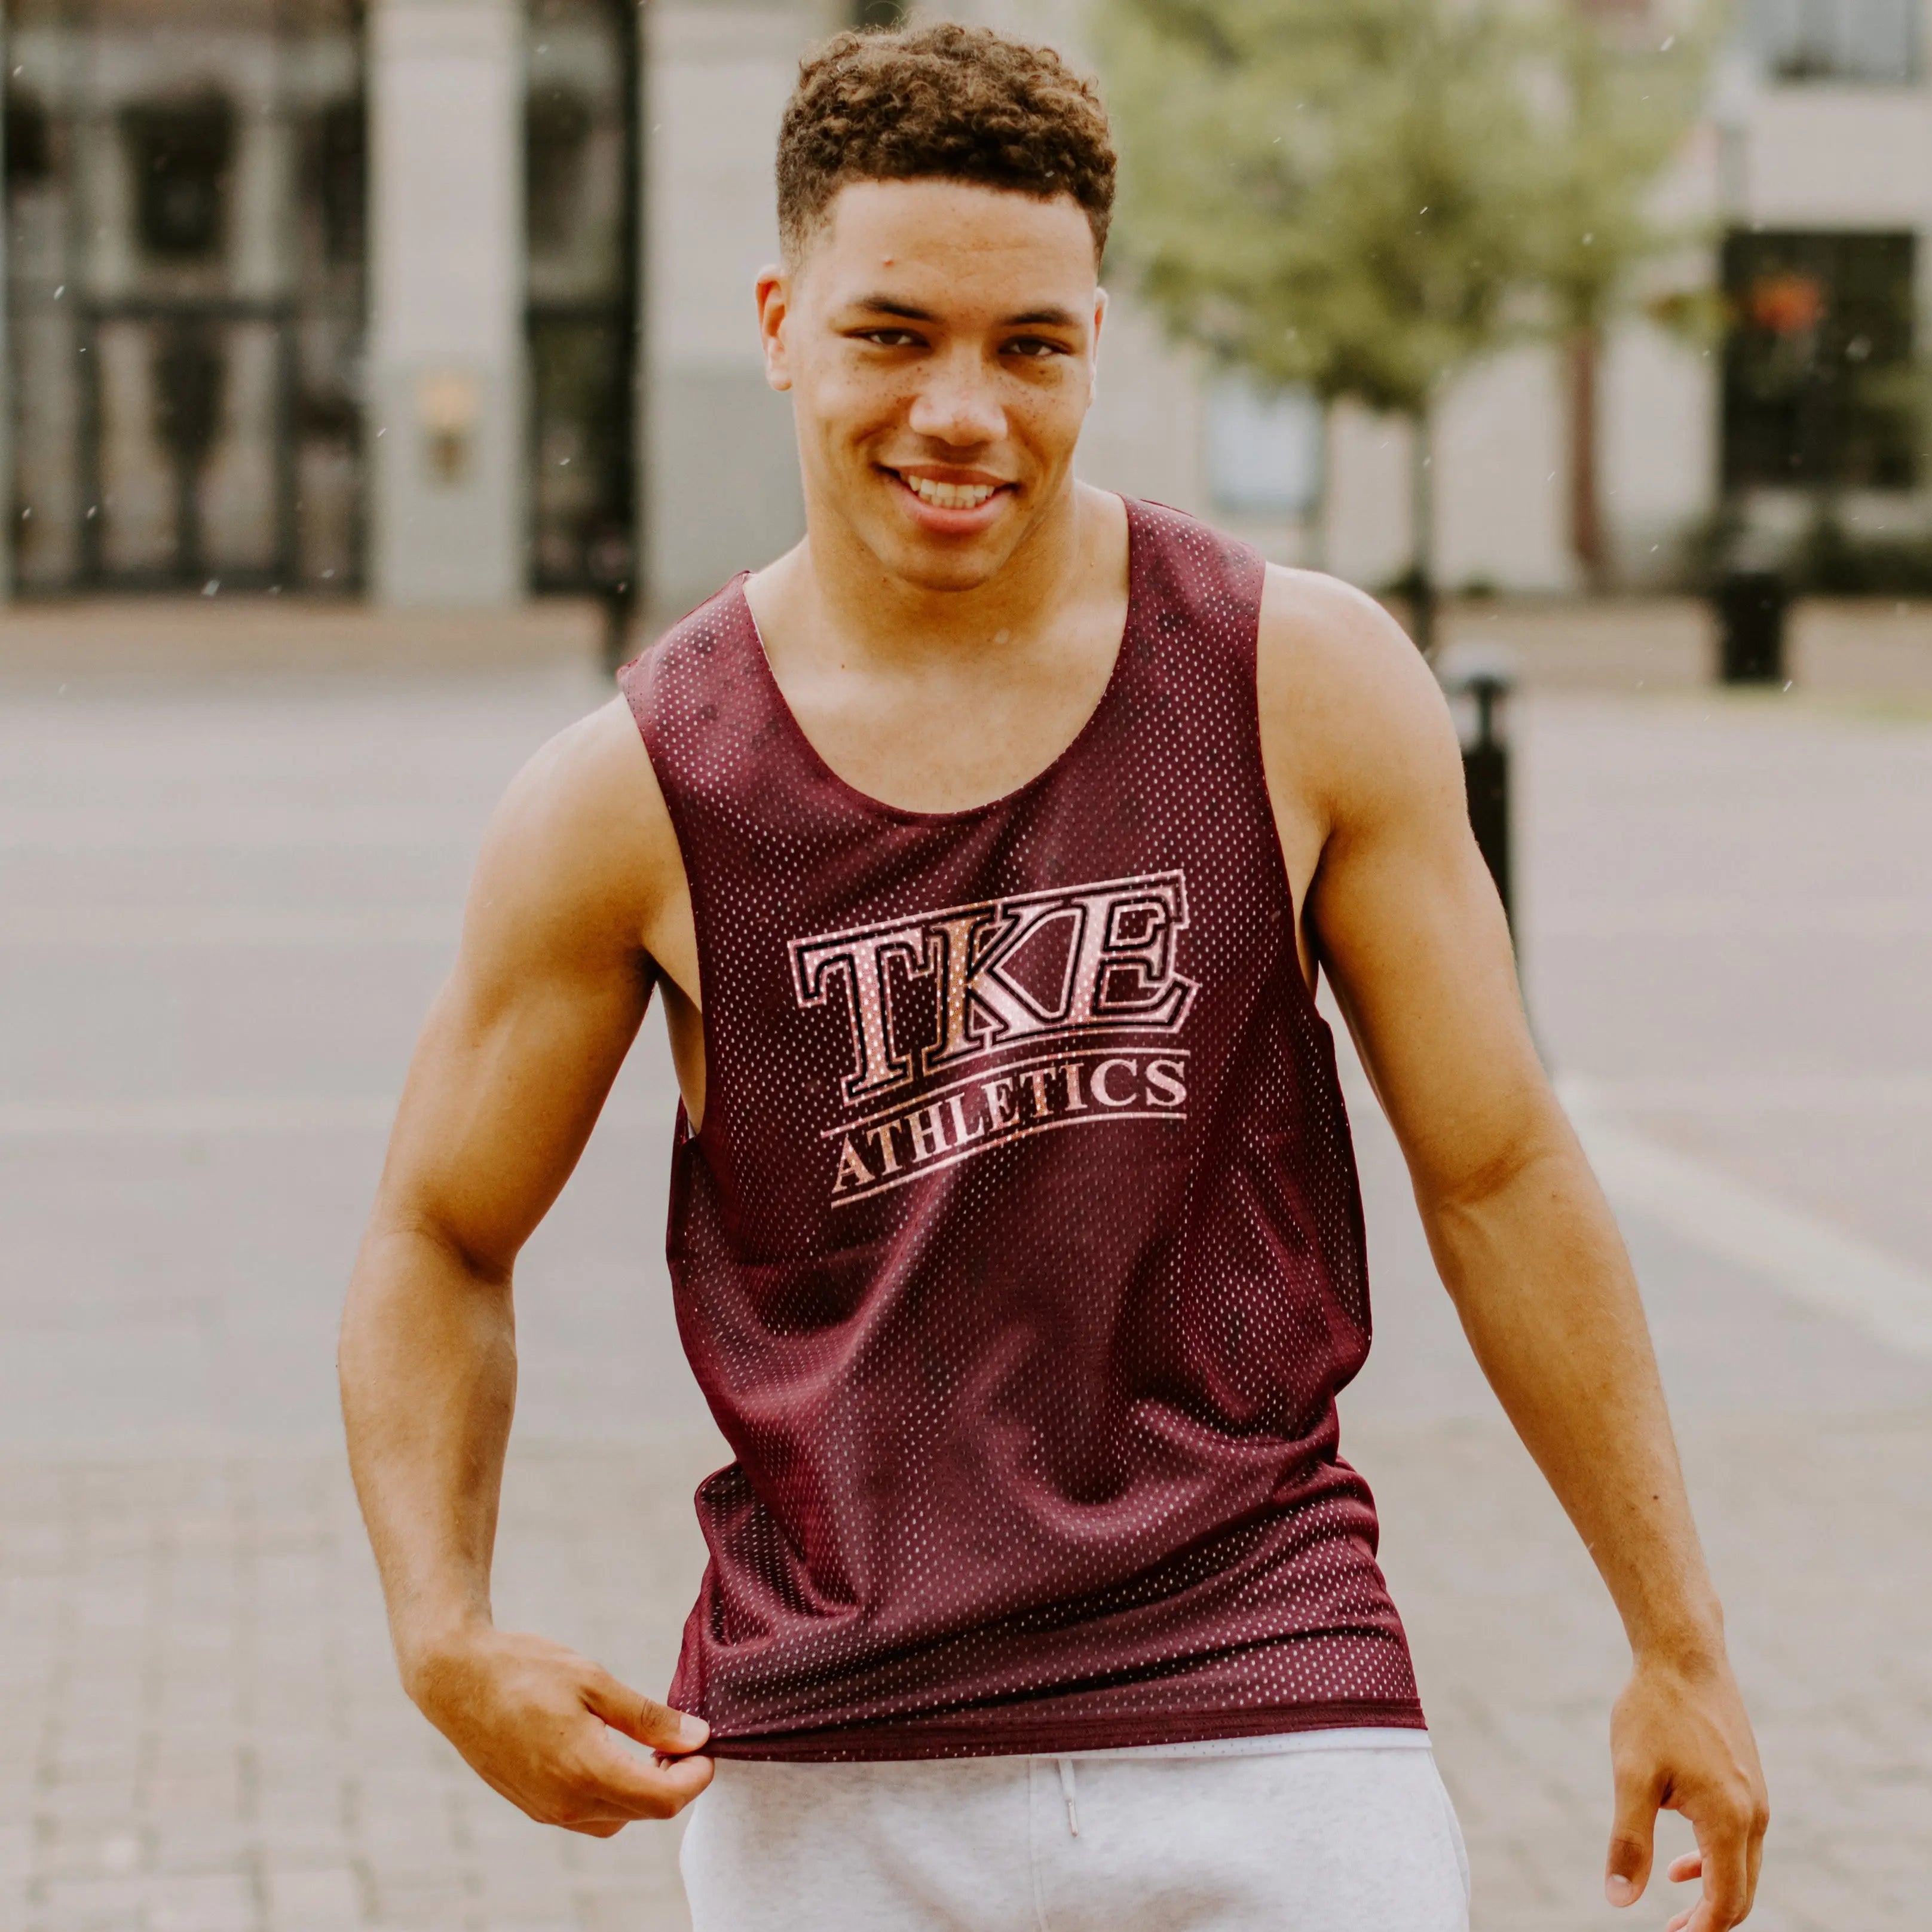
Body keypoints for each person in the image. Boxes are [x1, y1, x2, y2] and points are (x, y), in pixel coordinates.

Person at [340, 23, 1767, 1931]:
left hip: (1269, 1703)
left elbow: (1497, 1167)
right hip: (843, 1760)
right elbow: (438, 1235)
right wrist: (442, 1633)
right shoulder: (635, 793)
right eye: (892, 334)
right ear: (778, 324)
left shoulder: (1296, 686)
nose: (961, 410)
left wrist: (1676, 1635)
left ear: (1096, 336)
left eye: (1028, 347)